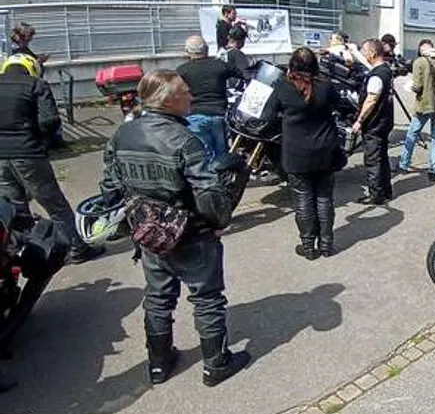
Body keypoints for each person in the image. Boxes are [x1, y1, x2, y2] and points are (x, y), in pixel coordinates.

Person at [100, 70, 250, 387]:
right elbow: (208, 195)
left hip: (148, 233)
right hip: (191, 234)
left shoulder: (121, 135)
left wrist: (134, 220)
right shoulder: (185, 140)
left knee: (157, 297)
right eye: (185, 92)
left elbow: (109, 187)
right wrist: (219, 223)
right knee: (207, 298)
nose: (191, 97)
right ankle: (216, 364)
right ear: (169, 100)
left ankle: (158, 363)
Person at [0, 53, 104, 264]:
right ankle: (77, 249)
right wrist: (39, 138)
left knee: (16, 207)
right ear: (31, 68)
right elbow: (50, 121)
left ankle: (26, 254)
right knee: (55, 205)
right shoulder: (36, 85)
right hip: (29, 154)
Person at [269, 48, 343, 258]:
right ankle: (327, 245)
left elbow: (271, 113)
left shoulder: (282, 86)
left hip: (296, 152)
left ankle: (308, 246)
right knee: (324, 198)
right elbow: (341, 105)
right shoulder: (326, 86)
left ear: (292, 65)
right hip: (325, 150)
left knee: (303, 200)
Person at [175, 36, 243, 161]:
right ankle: (223, 179)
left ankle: (210, 179)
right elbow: (243, 74)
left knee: (203, 156)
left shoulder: (182, 71)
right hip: (219, 115)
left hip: (194, 116)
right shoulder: (220, 65)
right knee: (221, 154)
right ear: (206, 49)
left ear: (188, 51)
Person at [398, 39, 435, 177]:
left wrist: (408, 86)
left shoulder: (420, 62)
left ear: (421, 50)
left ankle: (404, 164)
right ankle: (433, 168)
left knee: (412, 133)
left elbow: (417, 87)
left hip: (424, 105)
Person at [352, 39, 396, 204]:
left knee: (373, 159)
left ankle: (376, 194)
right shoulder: (385, 70)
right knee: (382, 157)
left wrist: (359, 120)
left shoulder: (377, 75)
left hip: (374, 124)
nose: (363, 54)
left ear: (372, 53)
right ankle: (386, 191)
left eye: (364, 51)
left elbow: (371, 100)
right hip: (384, 122)